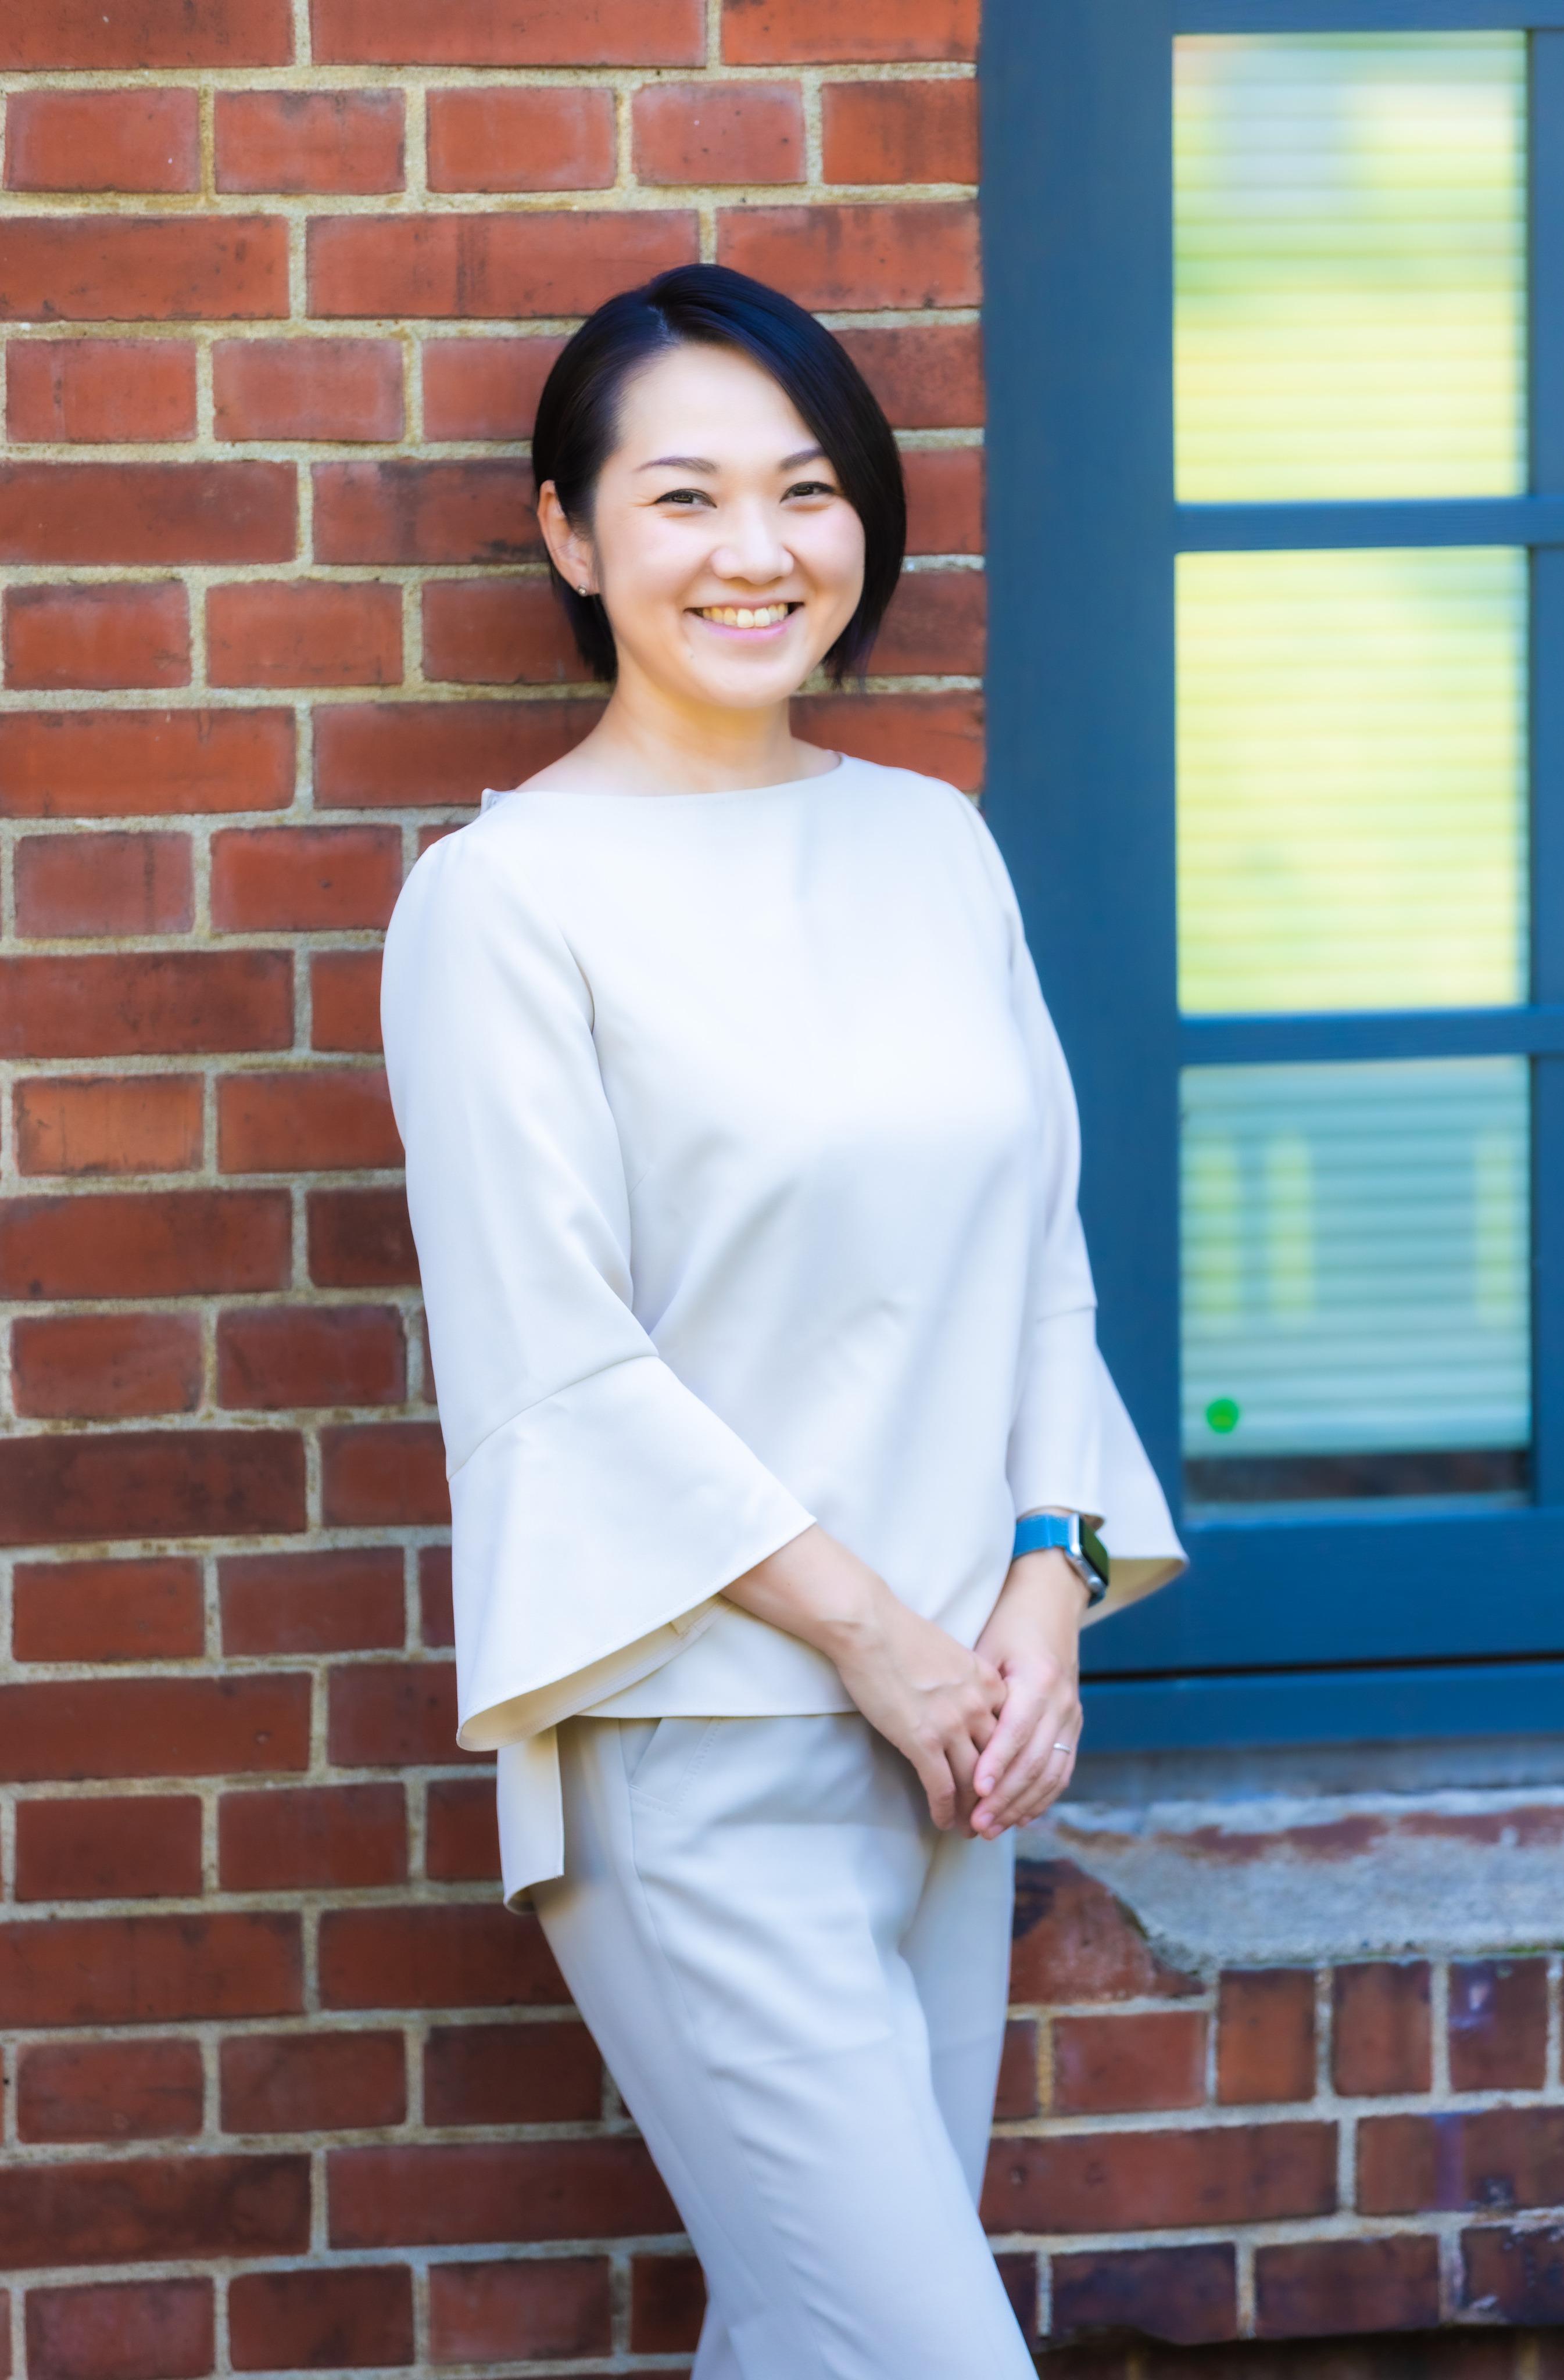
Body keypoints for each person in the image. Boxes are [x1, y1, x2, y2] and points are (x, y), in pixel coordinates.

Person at [381, 263, 1183, 2380]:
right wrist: (877, 1641)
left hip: (958, 1746)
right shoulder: (502, 901)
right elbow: (557, 1364)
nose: (757, 550)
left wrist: (1044, 1584)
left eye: (806, 490)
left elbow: (1038, 1260)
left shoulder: (930, 846)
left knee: (814, 2344)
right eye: (682, 497)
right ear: (570, 538)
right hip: (703, 1748)